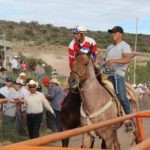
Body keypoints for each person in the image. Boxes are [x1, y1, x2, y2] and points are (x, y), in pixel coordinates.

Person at [105, 26, 134, 131]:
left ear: (120, 34)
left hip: (118, 74)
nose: (112, 34)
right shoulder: (109, 47)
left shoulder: (125, 46)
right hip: (108, 74)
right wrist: (102, 65)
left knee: (121, 97)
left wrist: (113, 61)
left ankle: (130, 121)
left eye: (114, 32)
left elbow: (127, 59)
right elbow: (106, 61)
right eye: (111, 33)